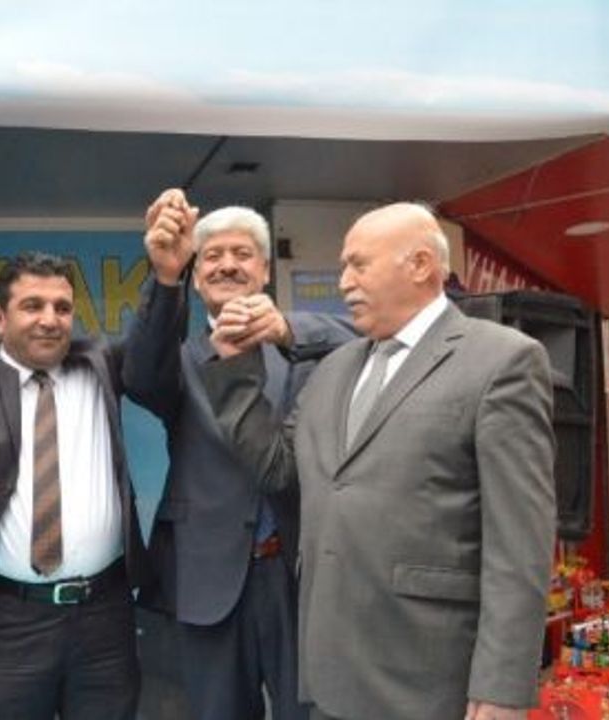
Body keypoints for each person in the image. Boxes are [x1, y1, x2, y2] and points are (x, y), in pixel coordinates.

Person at [197, 202, 556, 720]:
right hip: (331, 679)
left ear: (420, 265)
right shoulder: (335, 368)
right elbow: (278, 468)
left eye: (358, 265)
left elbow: (519, 545)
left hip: (432, 682)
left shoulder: (501, 360)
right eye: (344, 266)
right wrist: (235, 370)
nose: (344, 282)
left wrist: (502, 688)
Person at [123, 194, 353, 719]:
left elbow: (371, 340)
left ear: (266, 271)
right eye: (212, 256)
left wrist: (287, 330)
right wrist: (165, 275)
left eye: (242, 253)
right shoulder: (181, 360)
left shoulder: (304, 347)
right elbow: (139, 375)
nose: (227, 264)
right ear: (197, 278)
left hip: (299, 572)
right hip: (208, 575)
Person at [0, 251, 149, 720]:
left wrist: (167, 279)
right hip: (10, 619)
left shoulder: (98, 365)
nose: (50, 320)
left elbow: (156, 351)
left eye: (62, 308)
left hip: (103, 617)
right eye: (32, 306)